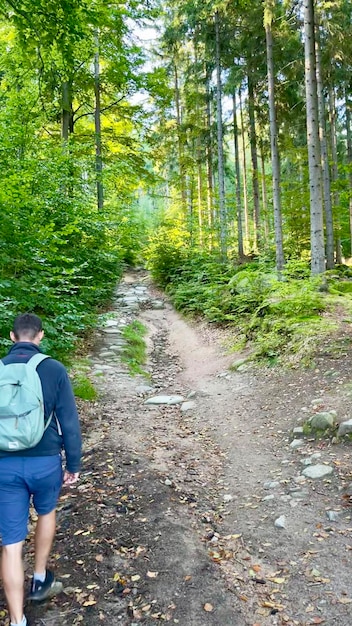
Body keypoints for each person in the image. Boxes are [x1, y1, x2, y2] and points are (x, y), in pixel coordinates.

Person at [0, 313, 82, 626]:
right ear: (40, 336)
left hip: (4, 466)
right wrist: (73, 463)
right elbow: (70, 422)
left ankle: (17, 620)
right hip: (46, 461)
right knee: (46, 513)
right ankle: (38, 578)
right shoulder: (53, 368)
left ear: (11, 336)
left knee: (10, 543)